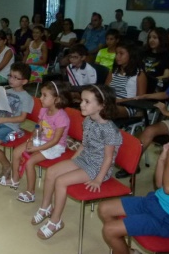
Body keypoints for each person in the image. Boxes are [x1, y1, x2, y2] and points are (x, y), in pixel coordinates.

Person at [32, 85, 122, 240]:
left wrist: (98, 180)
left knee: (61, 181)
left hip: (98, 167)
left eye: (87, 102)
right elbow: (84, 143)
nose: (81, 104)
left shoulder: (109, 130)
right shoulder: (88, 120)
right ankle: (46, 207)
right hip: (84, 158)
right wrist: (73, 160)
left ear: (102, 105)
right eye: (82, 100)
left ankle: (55, 221)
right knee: (52, 171)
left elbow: (108, 158)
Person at [99, 131, 169, 254]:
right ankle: (125, 250)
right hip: (154, 202)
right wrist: (163, 158)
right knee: (104, 208)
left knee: (109, 230)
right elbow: (160, 184)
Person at [0, 81, 71, 204]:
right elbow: (38, 128)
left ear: (57, 99)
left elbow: (55, 140)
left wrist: (37, 148)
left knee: (29, 162)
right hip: (42, 140)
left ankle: (30, 192)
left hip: (55, 146)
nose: (40, 98)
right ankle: (15, 179)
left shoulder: (61, 117)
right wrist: (31, 140)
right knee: (17, 152)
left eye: (44, 95)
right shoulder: (44, 110)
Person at [116, 56, 169, 178]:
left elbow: (168, 112)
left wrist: (167, 113)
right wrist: (146, 96)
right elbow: (166, 94)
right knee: (149, 130)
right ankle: (133, 164)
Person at [106, 41, 147, 118]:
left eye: (121, 54)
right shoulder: (113, 71)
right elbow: (106, 90)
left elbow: (140, 99)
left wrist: (119, 101)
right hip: (110, 102)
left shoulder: (139, 74)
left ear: (131, 55)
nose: (117, 57)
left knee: (105, 110)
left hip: (128, 106)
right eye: (116, 54)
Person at [143, 27, 169, 93]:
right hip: (141, 84)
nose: (151, 40)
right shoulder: (143, 52)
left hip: (156, 87)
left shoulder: (168, 56)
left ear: (162, 39)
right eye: (149, 37)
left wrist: (150, 80)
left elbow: (166, 76)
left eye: (155, 38)